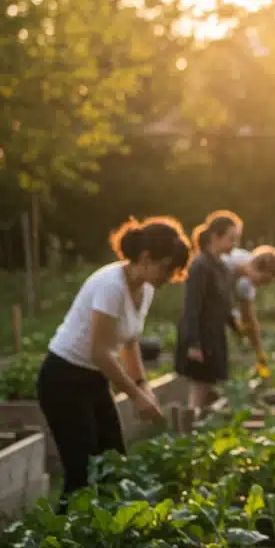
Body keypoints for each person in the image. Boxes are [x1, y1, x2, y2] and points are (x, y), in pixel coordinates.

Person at [36, 216, 190, 510]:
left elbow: (129, 342)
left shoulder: (145, 289)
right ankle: (60, 542)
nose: (170, 276)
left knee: (113, 462)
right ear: (146, 258)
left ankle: (104, 538)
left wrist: (144, 386)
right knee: (81, 471)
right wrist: (135, 396)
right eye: (167, 267)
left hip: (93, 380)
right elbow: (100, 351)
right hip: (63, 379)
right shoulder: (111, 285)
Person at [175, 210, 242, 411]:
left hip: (214, 336)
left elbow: (224, 304)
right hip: (201, 337)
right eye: (231, 239)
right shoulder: (200, 266)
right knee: (199, 387)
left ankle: (202, 427)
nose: (234, 244)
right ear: (215, 237)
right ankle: (190, 434)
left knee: (209, 387)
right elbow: (192, 307)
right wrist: (194, 344)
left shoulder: (222, 267)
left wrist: (236, 327)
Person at [222, 244, 275, 374]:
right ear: (255, 266)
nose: (262, 285)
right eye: (264, 279)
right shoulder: (228, 260)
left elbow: (249, 318)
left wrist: (259, 352)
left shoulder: (246, 284)